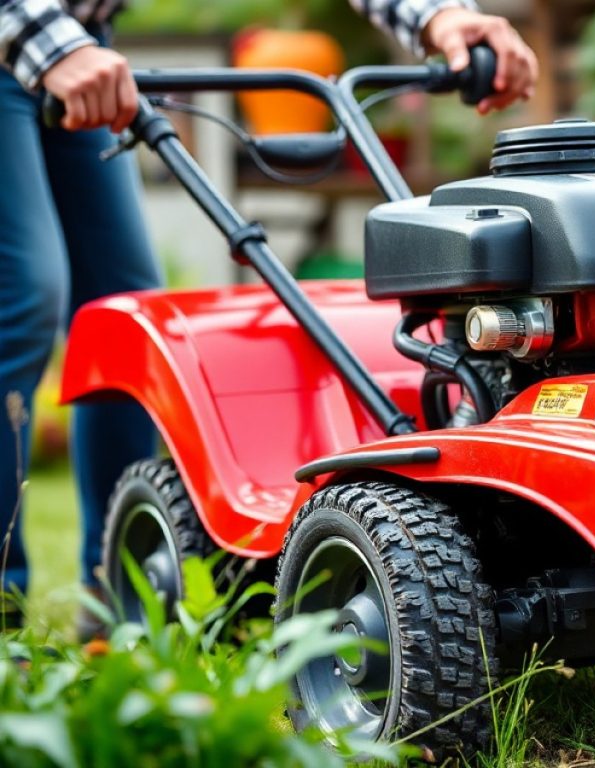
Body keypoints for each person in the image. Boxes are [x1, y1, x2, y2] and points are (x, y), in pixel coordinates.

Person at [0, 0, 537, 625]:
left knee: (124, 307)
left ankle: (116, 591)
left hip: (85, 47)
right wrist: (54, 45)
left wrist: (437, 18)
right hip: (30, 33)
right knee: (23, 297)